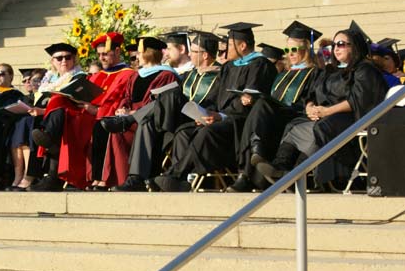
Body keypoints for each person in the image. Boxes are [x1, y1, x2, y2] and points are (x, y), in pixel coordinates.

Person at [256, 25, 388, 187]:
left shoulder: (365, 69)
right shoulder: (332, 71)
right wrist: (310, 107)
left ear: (355, 46)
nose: (336, 48)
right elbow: (313, 94)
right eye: (334, 45)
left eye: (341, 44)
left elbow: (359, 100)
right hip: (329, 117)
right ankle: (281, 166)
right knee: (295, 124)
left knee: (321, 127)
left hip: (355, 119)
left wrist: (327, 111)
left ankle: (298, 174)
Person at [152, 22, 278, 192]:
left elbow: (253, 101)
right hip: (220, 119)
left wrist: (221, 116)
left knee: (207, 132)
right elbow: (216, 98)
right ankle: (183, 181)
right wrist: (204, 114)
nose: (225, 50)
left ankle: (177, 174)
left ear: (242, 45)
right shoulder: (228, 67)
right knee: (183, 132)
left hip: (241, 124)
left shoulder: (261, 65)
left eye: (230, 45)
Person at [105, 31, 221, 191]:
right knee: (147, 121)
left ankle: (130, 120)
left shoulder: (220, 75)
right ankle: (137, 178)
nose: (190, 54)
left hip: (198, 122)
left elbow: (220, 103)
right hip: (172, 121)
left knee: (169, 95)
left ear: (206, 55)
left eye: (194, 52)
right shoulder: (190, 74)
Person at [230, 21, 323, 192]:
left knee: (263, 105)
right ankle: (246, 170)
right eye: (287, 50)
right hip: (276, 115)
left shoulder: (315, 73)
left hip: (296, 116)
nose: (290, 54)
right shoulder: (283, 73)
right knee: (255, 108)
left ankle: (252, 157)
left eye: (294, 49)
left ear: (306, 49)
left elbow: (312, 100)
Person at [101, 37, 178, 190]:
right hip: (133, 118)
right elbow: (127, 97)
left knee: (128, 125)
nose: (137, 57)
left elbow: (160, 103)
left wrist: (134, 112)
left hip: (154, 121)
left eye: (140, 53)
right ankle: (123, 180)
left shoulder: (167, 75)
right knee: (117, 132)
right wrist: (123, 108)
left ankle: (136, 179)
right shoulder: (136, 75)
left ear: (148, 54)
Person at [27, 43, 84, 191]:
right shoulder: (48, 81)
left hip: (77, 113)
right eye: (59, 58)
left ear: (74, 59)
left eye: (68, 57)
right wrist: (41, 111)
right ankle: (48, 173)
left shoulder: (80, 76)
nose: (64, 61)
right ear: (53, 61)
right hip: (56, 116)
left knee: (57, 101)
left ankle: (49, 140)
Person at [85, 32, 135, 190]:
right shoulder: (97, 75)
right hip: (91, 115)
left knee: (103, 123)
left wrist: (97, 110)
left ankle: (102, 178)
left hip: (113, 117)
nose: (101, 58)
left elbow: (121, 101)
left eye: (105, 54)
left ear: (118, 52)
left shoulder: (128, 74)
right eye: (99, 54)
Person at [0, 63, 26, 189]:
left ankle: (0, 175)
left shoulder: (16, 95)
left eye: (2, 73)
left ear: (11, 76)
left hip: (8, 126)